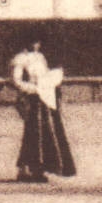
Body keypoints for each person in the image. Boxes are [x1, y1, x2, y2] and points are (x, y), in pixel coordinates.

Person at [9, 38, 76, 183]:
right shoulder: (20, 59)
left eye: (37, 42)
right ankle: (31, 169)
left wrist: (48, 83)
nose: (35, 45)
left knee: (45, 133)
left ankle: (35, 168)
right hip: (32, 100)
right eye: (33, 41)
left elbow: (45, 76)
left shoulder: (40, 57)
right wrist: (33, 89)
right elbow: (16, 80)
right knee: (33, 134)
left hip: (44, 99)